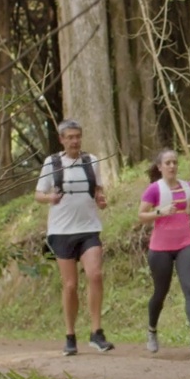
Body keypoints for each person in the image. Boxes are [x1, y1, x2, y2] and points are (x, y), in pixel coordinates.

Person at [34, 119, 114, 355]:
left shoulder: (91, 161)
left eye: (77, 136)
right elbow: (38, 194)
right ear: (61, 139)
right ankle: (70, 335)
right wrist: (50, 199)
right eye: (69, 137)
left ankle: (96, 332)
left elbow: (98, 190)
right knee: (70, 285)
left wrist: (101, 199)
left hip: (89, 227)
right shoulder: (53, 163)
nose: (74, 141)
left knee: (95, 275)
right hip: (61, 231)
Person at [137, 148, 190, 353]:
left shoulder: (187, 187)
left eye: (175, 162)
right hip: (160, 248)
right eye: (167, 163)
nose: (172, 166)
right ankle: (152, 330)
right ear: (159, 167)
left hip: (185, 243)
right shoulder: (154, 189)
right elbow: (141, 215)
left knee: (189, 286)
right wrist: (160, 211)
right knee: (160, 292)